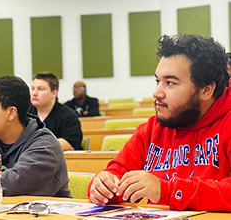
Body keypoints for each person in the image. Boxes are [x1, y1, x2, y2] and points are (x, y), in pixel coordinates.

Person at [88, 34, 231, 211]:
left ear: (206, 90)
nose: (157, 93)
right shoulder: (153, 128)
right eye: (158, 81)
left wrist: (168, 191)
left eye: (170, 83)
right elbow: (118, 172)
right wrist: (103, 186)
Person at [29, 73, 83, 151]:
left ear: (54, 93)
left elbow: (68, 144)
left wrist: (32, 146)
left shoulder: (68, 116)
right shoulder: (26, 114)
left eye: (40, 89)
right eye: (33, 89)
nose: (34, 93)